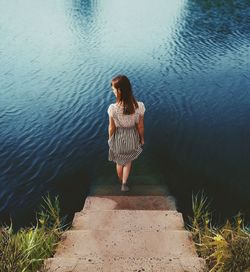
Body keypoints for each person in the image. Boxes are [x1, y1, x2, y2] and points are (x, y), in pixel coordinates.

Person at [107, 75, 145, 192]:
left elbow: (111, 127)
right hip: (132, 137)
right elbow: (140, 126)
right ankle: (124, 183)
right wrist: (141, 138)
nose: (112, 91)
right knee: (128, 161)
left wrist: (110, 139)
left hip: (118, 137)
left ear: (119, 91)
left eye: (113, 89)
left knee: (119, 162)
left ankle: (120, 181)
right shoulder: (139, 107)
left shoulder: (112, 108)